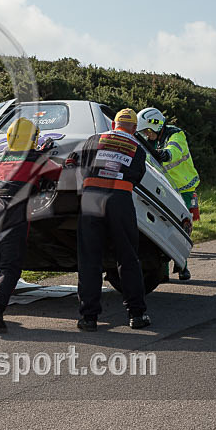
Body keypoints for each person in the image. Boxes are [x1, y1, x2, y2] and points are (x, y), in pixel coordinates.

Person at [0, 118, 62, 332]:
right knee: (9, 266)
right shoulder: (37, 158)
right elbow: (57, 172)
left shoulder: (4, 157)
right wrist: (48, 154)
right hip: (13, 210)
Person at [67, 108, 150, 331]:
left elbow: (74, 164)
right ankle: (136, 315)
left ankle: (89, 318)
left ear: (114, 124)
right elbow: (137, 177)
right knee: (128, 257)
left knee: (89, 258)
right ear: (134, 128)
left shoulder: (93, 139)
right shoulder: (137, 149)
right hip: (119, 199)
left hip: (92, 198)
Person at [136, 107, 200, 281]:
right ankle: (162, 271)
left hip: (184, 188)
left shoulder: (175, 135)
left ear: (156, 125)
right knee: (161, 225)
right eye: (144, 132)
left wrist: (164, 154)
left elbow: (174, 151)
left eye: (147, 131)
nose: (146, 135)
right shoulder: (149, 140)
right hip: (165, 188)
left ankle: (182, 266)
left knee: (182, 227)